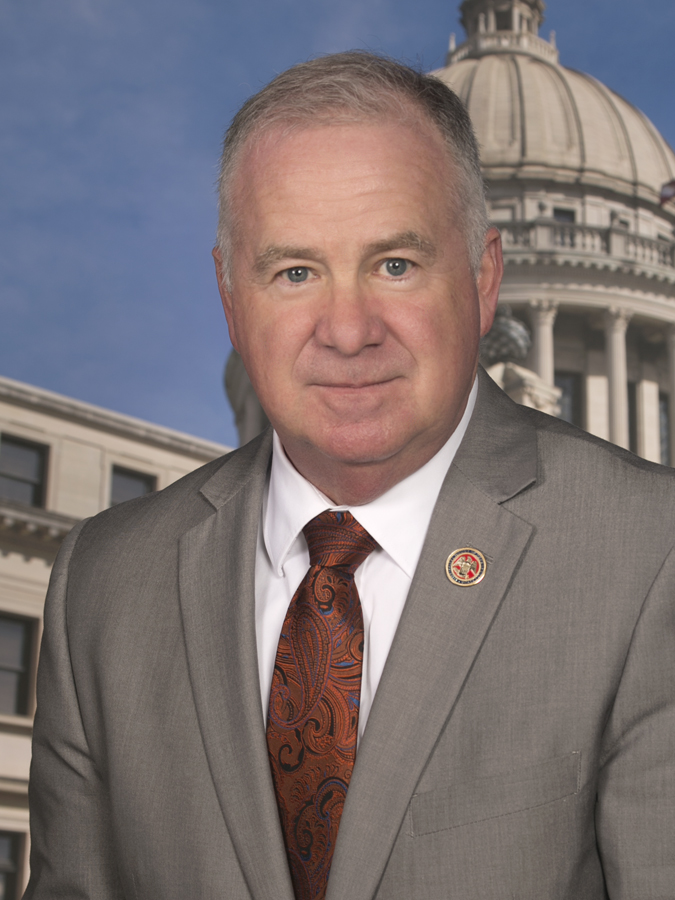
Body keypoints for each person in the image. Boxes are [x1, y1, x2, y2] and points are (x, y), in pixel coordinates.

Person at [25, 52, 675, 900]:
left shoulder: (643, 553)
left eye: (394, 265)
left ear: (484, 282)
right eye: (295, 272)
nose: (345, 329)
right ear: (230, 297)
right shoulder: (104, 583)